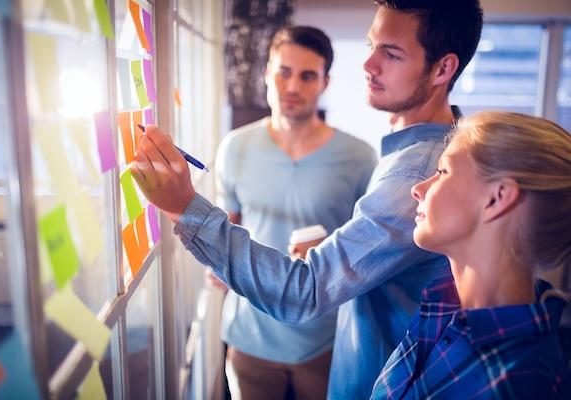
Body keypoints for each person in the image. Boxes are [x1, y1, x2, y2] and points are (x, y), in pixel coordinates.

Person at [130, 1, 483, 398]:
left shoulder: (411, 172)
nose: (368, 65)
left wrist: (184, 207)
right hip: (257, 334)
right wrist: (332, 250)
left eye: (391, 53)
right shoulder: (410, 156)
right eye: (371, 45)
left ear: (442, 69)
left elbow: (307, 291)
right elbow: (377, 256)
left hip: (340, 356)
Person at [212, 26, 376, 400]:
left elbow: (370, 251)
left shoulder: (360, 158)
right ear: (267, 73)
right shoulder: (234, 148)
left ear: (325, 82)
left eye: (307, 76)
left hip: (325, 337)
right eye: (283, 72)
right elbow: (228, 226)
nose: (293, 86)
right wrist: (216, 266)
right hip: (251, 333)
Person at [371, 111, 571, 399]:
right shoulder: (443, 308)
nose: (417, 189)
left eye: (443, 171)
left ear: (497, 197)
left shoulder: (522, 382)